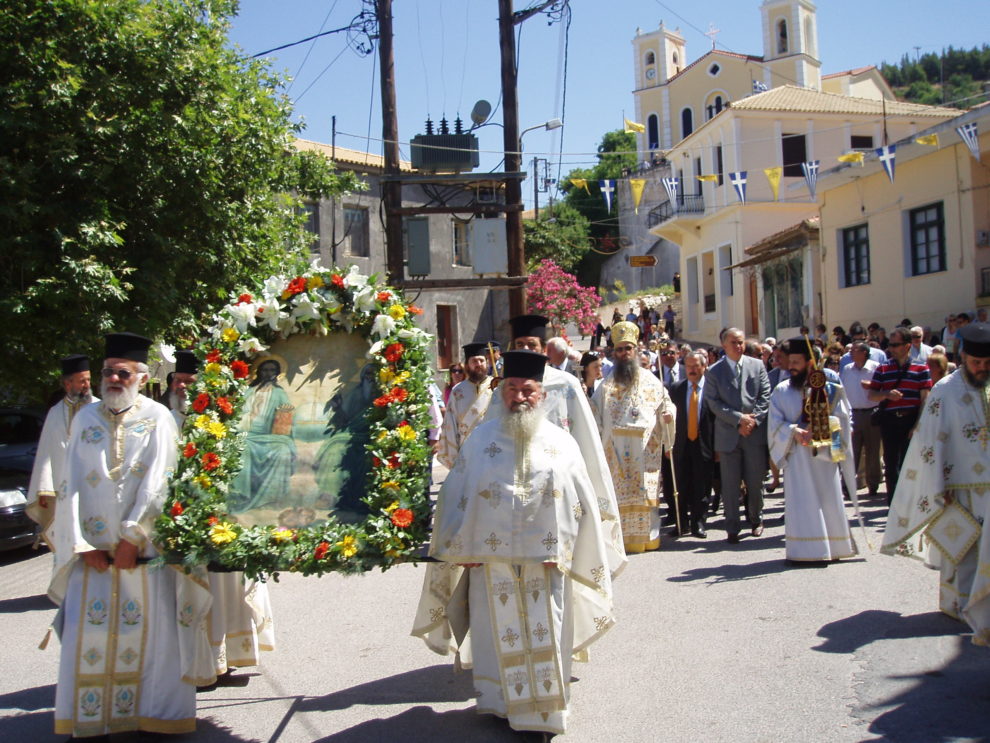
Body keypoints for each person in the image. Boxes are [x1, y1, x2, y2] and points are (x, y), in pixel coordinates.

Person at [412, 351, 616, 736]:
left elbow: (581, 502)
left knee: (547, 632)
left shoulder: (562, 443)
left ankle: (545, 713)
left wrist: (572, 552)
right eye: (512, 390)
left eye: (528, 390)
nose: (520, 397)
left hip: (548, 563)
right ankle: (501, 704)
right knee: (495, 633)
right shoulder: (480, 441)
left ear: (542, 395)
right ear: (500, 392)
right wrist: (462, 552)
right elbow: (457, 496)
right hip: (491, 564)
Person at [50, 332, 212, 738]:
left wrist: (131, 538)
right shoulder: (85, 419)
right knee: (93, 638)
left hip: (144, 555)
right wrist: (81, 545)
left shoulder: (158, 417)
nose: (113, 379)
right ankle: (96, 718)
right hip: (93, 561)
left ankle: (154, 717)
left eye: (122, 373)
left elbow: (161, 482)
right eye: (107, 372)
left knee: (156, 643)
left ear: (140, 376)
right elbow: (69, 485)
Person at [162, 350, 276, 680]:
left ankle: (222, 657)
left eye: (189, 381)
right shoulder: (162, 419)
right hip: (178, 521)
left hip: (220, 519)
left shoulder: (223, 419)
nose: (182, 387)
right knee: (186, 593)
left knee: (224, 590)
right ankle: (193, 661)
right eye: (178, 380)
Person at [486, 314, 626, 578]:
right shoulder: (502, 389)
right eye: (519, 344)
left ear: (544, 349)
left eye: (531, 344)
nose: (525, 350)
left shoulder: (567, 385)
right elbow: (489, 443)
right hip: (510, 494)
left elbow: (587, 443)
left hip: (558, 493)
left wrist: (591, 494)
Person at [882, 323, 990, 645]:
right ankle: (960, 603)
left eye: (987, 364)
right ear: (963, 356)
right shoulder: (945, 390)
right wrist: (937, 484)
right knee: (965, 548)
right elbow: (929, 441)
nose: (982, 369)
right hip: (961, 487)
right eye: (976, 363)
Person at [768, 339, 858, 563]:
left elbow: (844, 419)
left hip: (825, 456)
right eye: (790, 362)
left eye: (796, 362)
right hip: (797, 456)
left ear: (810, 363)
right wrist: (794, 431)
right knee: (802, 501)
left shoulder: (830, 388)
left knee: (828, 498)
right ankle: (805, 552)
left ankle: (835, 547)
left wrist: (821, 427)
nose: (792, 367)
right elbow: (774, 424)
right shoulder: (781, 390)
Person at [591, 321, 675, 551]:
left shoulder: (651, 380)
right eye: (620, 349)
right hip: (616, 452)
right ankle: (620, 541)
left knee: (645, 494)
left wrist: (668, 416)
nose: (624, 353)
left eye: (628, 348)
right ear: (614, 353)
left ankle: (648, 539)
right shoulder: (605, 386)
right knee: (619, 495)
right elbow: (595, 416)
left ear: (636, 350)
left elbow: (665, 405)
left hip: (645, 448)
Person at [705, 327, 771, 543]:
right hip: (729, 435)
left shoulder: (757, 365)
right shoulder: (714, 371)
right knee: (730, 484)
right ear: (724, 345)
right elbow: (713, 403)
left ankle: (756, 519)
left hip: (753, 434)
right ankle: (732, 526)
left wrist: (753, 420)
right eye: (733, 342)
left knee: (755, 481)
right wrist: (738, 420)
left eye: (741, 342)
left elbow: (764, 396)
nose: (739, 346)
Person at [26, 355, 97, 548]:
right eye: (82, 381)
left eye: (89, 379)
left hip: (96, 490)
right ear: (68, 384)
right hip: (64, 492)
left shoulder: (100, 410)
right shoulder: (55, 414)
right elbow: (46, 454)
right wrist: (43, 489)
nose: (87, 385)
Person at [867, 327, 932, 504]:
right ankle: (894, 503)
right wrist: (887, 395)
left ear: (907, 346)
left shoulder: (921, 368)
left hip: (911, 419)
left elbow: (925, 399)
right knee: (890, 463)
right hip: (889, 420)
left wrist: (917, 425)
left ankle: (911, 502)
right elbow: (872, 395)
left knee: (909, 463)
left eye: (895, 345)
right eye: (890, 344)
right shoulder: (883, 368)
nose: (891, 348)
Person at [229, 358, 297, 513]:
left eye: (272, 370)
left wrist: (285, 413)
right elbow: (235, 411)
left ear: (277, 374)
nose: (268, 374)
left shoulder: (279, 393)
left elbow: (286, 416)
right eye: (265, 370)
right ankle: (240, 495)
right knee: (243, 446)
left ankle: (271, 497)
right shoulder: (248, 391)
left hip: (266, 435)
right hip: (243, 431)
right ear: (258, 372)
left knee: (282, 449)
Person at [670, 350, 716, 537]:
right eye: (688, 366)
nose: (692, 369)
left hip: (704, 444)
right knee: (681, 485)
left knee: (702, 486)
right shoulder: (676, 389)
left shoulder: (712, 389)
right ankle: (682, 523)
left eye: (696, 366)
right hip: (681, 445)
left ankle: (699, 522)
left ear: (704, 367)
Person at [437, 342, 494, 468]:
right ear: (467, 365)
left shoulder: (496, 387)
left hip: (492, 448)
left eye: (481, 360)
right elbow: (450, 422)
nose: (478, 364)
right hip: (466, 450)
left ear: (487, 363)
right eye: (474, 361)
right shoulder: (458, 391)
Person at [840, 342, 883, 498]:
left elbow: (883, 387)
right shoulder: (846, 369)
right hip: (853, 415)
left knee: (873, 451)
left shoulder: (876, 367)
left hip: (872, 412)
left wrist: (872, 385)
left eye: (854, 350)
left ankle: (873, 484)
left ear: (864, 352)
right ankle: (848, 485)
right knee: (852, 451)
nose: (851, 353)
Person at [164, 349, 198, 428]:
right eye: (178, 380)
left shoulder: (212, 421)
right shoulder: (165, 420)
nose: (181, 385)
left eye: (189, 381)